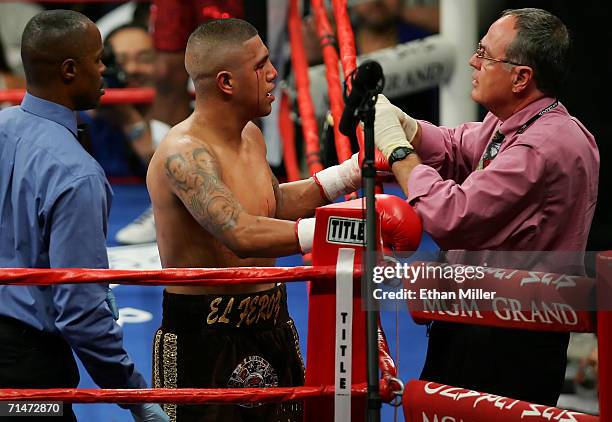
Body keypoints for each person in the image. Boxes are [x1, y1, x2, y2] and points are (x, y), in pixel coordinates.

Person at [147, 18, 416, 421]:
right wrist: (341, 233)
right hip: (204, 334)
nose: (274, 73)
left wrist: (347, 172)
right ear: (226, 82)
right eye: (260, 65)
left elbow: (272, 205)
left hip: (271, 321)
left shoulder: (250, 135)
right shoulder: (184, 154)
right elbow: (240, 232)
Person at [372, 8, 599, 405]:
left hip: (509, 337)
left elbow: (449, 216)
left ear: (521, 77)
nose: (473, 62)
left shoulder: (542, 146)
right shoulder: (520, 121)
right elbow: (461, 145)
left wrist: (398, 151)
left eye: (485, 54)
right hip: (481, 319)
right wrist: (410, 127)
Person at [0, 10, 168, 422]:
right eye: (98, 59)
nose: (105, 69)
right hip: (25, 367)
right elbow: (80, 310)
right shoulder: (75, 172)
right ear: (70, 70)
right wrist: (137, 396)